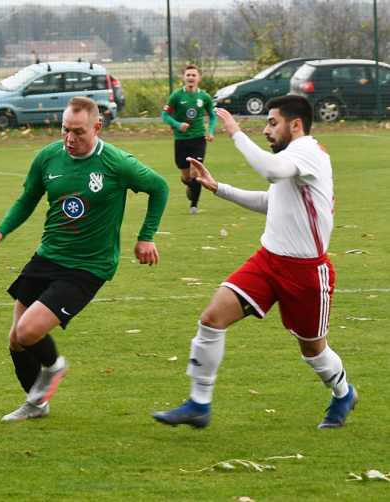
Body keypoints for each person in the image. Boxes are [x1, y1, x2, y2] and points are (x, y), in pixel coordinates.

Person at [153, 95, 357, 430]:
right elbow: (271, 200)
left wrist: (234, 130)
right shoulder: (292, 156)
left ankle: (343, 393)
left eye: (272, 122)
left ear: (295, 125)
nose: (266, 130)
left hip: (307, 272)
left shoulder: (307, 152)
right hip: (268, 261)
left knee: (313, 352)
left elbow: (270, 171)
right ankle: (199, 403)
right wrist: (220, 189)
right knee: (211, 319)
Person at [0, 97, 169, 421]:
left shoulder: (117, 163)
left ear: (97, 127)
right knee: (16, 340)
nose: (69, 138)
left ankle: (54, 367)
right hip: (47, 255)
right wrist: (1, 231)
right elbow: (28, 199)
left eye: (78, 132)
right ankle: (36, 405)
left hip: (88, 265)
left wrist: (146, 235)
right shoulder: (48, 157)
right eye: (65, 129)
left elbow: (160, 188)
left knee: (27, 332)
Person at [161, 65, 216, 215]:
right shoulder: (177, 96)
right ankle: (188, 185)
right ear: (184, 78)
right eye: (188, 75)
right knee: (186, 177)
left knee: (194, 172)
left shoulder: (204, 97)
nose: (191, 78)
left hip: (198, 139)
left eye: (193, 75)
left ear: (199, 78)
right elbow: (165, 115)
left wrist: (210, 131)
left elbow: (212, 115)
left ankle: (194, 206)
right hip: (181, 140)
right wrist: (178, 124)